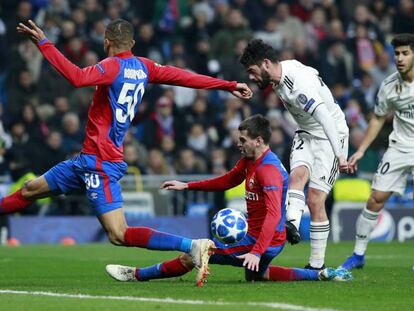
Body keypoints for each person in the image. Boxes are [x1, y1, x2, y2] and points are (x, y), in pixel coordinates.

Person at [0, 19, 253, 284]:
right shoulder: (145, 66)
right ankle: (191, 245)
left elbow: (76, 77)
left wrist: (44, 42)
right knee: (30, 190)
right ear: (132, 43)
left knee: (119, 234)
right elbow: (185, 77)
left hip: (100, 162)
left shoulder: (111, 66)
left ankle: (191, 245)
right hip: (86, 160)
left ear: (106, 41)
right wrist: (228, 85)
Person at [106, 115, 352, 284]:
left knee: (196, 253)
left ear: (259, 141)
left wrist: (256, 252)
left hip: (263, 240)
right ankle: (321, 275)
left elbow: (275, 216)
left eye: (243, 140)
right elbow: (227, 180)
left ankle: (137, 275)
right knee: (257, 277)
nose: (238, 144)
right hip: (260, 238)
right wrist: (187, 185)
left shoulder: (269, 171)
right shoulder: (250, 161)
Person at [240, 39, 349, 270]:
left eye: (252, 71)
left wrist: (339, 155)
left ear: (266, 63)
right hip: (306, 133)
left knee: (315, 199)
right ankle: (291, 224)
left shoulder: (298, 85)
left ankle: (316, 264)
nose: (251, 76)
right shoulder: (280, 75)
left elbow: (326, 118)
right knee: (297, 177)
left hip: (331, 137)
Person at [340, 33, 414, 270]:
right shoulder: (390, 86)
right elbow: (378, 119)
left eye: (405, 53)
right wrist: (361, 150)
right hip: (400, 146)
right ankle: (358, 255)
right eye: (397, 54)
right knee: (375, 199)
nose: (400, 58)